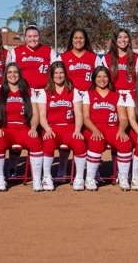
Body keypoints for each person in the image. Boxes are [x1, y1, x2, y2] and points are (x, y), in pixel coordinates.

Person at [0, 63, 44, 192]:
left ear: (20, 74)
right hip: (6, 128)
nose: (12, 75)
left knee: (35, 142)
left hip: (23, 128)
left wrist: (33, 128)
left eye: (15, 72)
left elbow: (35, 114)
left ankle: (36, 179)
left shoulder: (29, 92)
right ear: (5, 75)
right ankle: (0, 179)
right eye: (9, 72)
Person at [35, 61, 88, 191]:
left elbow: (79, 113)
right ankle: (47, 177)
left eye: (61, 73)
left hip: (69, 127)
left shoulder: (74, 91)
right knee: (48, 143)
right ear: (51, 75)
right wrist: (47, 129)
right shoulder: (44, 92)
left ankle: (79, 178)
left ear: (65, 74)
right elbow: (42, 115)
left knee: (79, 143)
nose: (59, 76)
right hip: (52, 128)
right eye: (56, 73)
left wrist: (77, 130)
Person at [81, 65, 133, 190]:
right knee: (96, 142)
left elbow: (123, 118)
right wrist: (95, 130)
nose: (102, 79)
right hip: (93, 128)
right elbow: (85, 118)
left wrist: (121, 130)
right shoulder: (88, 94)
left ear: (109, 78)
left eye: (105, 76)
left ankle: (123, 177)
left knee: (125, 143)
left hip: (112, 127)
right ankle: (90, 178)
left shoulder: (117, 95)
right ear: (94, 78)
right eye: (99, 77)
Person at [7, 25, 58, 91]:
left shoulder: (49, 51)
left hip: (44, 91)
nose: (33, 39)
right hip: (23, 91)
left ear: (39, 37)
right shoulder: (15, 52)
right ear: (25, 38)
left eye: (35, 36)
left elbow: (57, 70)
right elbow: (8, 72)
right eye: (29, 36)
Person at [57, 28, 99, 93]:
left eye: (81, 38)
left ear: (85, 40)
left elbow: (101, 76)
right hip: (69, 94)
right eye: (76, 38)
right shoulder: (62, 58)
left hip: (90, 94)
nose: (78, 40)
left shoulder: (94, 57)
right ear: (71, 40)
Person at [102, 29, 138, 94]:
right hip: (113, 93)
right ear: (115, 40)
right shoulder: (106, 58)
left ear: (129, 40)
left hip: (132, 94)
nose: (123, 40)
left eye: (125, 37)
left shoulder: (137, 58)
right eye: (120, 37)